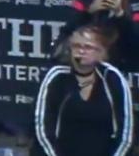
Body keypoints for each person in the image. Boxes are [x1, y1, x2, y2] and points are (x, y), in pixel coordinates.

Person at [34, 25, 133, 156]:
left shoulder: (113, 78)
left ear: (101, 53)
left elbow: (125, 133)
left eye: (88, 47)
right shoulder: (56, 77)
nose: (81, 51)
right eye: (76, 46)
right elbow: (42, 130)